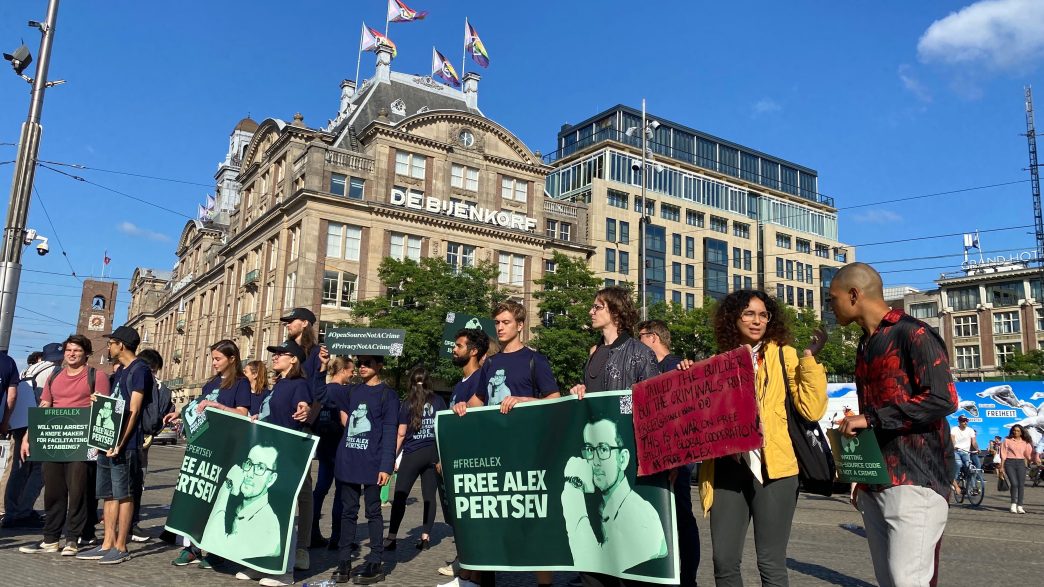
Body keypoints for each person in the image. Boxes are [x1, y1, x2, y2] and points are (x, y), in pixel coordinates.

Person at [679, 290, 827, 587]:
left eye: (763, 314)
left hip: (776, 471)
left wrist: (809, 361)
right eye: (749, 313)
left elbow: (812, 409)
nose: (757, 320)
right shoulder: (718, 361)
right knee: (723, 561)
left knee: (770, 563)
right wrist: (688, 377)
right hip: (727, 468)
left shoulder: (784, 355)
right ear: (733, 318)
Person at [832, 262, 957, 587]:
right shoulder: (865, 344)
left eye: (833, 298)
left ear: (854, 295)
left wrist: (870, 418)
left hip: (916, 480)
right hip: (876, 482)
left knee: (908, 582)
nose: (830, 307)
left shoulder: (912, 332)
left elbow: (943, 399)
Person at [452, 300, 560, 587]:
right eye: (497, 323)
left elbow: (554, 399)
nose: (499, 327)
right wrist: (461, 407)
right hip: (493, 452)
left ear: (520, 325)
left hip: (526, 452)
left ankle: (545, 584)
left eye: (506, 322)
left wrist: (527, 400)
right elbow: (478, 401)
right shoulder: (492, 363)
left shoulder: (535, 360)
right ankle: (482, 579)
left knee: (533, 521)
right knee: (491, 518)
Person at [19, 335, 110, 555]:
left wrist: (99, 443)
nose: (71, 354)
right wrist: (28, 436)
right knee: (53, 491)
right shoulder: (55, 375)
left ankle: (72, 538)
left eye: (76, 350)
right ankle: (50, 539)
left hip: (82, 441)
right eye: (69, 350)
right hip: (53, 439)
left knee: (79, 490)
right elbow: (45, 405)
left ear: (86, 353)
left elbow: (104, 410)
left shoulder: (96, 376)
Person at [165, 339, 252, 568]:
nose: (214, 363)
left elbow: (243, 413)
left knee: (218, 500)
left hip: (225, 449)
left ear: (231, 359)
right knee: (197, 496)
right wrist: (180, 414)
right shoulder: (210, 383)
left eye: (218, 359)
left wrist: (221, 408)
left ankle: (215, 551)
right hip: (202, 447)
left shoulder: (241, 384)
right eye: (212, 358)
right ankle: (191, 547)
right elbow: (199, 408)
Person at [235, 339, 313, 587]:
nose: (275, 356)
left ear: (294, 359)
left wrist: (305, 410)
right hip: (266, 453)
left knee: (282, 513)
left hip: (286, 456)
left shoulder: (299, 384)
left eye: (281, 353)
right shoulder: (278, 385)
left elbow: (304, 407)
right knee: (260, 510)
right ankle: (259, 564)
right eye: (274, 353)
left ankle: (283, 571)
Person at [76, 325, 154, 565]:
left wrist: (120, 443)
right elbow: (115, 406)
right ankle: (106, 543)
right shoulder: (120, 372)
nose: (108, 347)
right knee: (108, 495)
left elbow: (134, 410)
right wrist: (98, 401)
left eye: (111, 343)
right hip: (106, 441)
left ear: (121, 344)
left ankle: (121, 545)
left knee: (125, 495)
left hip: (125, 444)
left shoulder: (140, 370)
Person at [637, 318, 699, 587]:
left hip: (676, 458)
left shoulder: (675, 366)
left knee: (681, 519)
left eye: (639, 337)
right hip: (652, 455)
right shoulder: (647, 367)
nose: (636, 343)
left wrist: (677, 458)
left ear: (652, 338)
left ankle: (687, 580)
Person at [562, 415, 667, 574]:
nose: (595, 461)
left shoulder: (643, 517)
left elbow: (593, 564)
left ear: (623, 458)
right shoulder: (600, 510)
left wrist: (573, 488)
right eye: (590, 449)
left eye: (603, 449)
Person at [330, 355, 398, 585]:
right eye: (360, 362)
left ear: (380, 365)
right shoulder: (351, 391)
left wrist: (386, 465)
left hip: (373, 463)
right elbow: (322, 393)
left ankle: (375, 561)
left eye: (368, 363)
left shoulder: (388, 395)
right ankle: (344, 561)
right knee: (347, 511)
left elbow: (390, 431)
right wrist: (320, 368)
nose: (363, 366)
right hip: (348, 460)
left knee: (373, 512)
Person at [438, 328, 490, 586]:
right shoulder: (460, 384)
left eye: (458, 346)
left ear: (473, 351)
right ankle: (466, 571)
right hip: (456, 461)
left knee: (476, 521)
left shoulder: (482, 379)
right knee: (462, 520)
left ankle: (475, 577)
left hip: (476, 460)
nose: (453, 349)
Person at [280, 307, 329, 569]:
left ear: (306, 324)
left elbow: (317, 393)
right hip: (278, 425)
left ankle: (303, 546)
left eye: (292, 321)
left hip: (302, 428)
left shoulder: (314, 353)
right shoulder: (285, 349)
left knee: (304, 488)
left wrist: (321, 370)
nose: (288, 324)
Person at [385, 365, 447, 551]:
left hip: (413, 454)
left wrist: (391, 458)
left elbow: (401, 434)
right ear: (429, 381)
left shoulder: (406, 403)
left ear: (411, 382)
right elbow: (443, 428)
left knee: (401, 495)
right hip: (432, 453)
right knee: (429, 497)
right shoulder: (439, 401)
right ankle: (425, 537)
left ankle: (391, 537)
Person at [0, 344, 57, 529]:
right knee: (38, 470)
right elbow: (46, 401)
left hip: (19, 421)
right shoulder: (55, 371)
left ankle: (8, 509)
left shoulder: (30, 368)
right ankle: (22, 511)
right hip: (37, 423)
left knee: (16, 467)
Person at [200, 444, 283, 559]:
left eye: (260, 468)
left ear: (271, 479)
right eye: (249, 464)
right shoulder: (239, 507)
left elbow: (215, 544)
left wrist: (227, 486)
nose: (249, 473)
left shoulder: (267, 523)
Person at [311, 356, 353, 550]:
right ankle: (338, 537)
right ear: (343, 370)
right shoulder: (347, 392)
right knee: (342, 492)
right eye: (351, 371)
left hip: (323, 445)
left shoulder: (324, 390)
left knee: (320, 489)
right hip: (341, 445)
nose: (352, 374)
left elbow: (312, 416)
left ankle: (312, 531)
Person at [999, 424, 1036, 514]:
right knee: (1014, 484)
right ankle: (1013, 504)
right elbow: (1003, 454)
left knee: (1021, 485)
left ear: (1021, 432)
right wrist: (1001, 467)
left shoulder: (1025, 442)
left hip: (1021, 463)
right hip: (1009, 463)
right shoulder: (1007, 441)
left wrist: (1035, 460)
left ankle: (1020, 506)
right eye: (1014, 430)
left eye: (1018, 431)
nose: (1016, 432)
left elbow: (1029, 455)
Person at [950, 415, 978, 496]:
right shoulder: (954, 429)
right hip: (956, 451)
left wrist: (977, 448)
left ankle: (973, 487)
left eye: (966, 421)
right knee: (959, 464)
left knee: (970, 467)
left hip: (966, 452)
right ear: (959, 422)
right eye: (963, 421)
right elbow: (952, 439)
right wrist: (954, 445)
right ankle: (954, 482)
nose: (965, 422)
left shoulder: (970, 430)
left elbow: (974, 442)